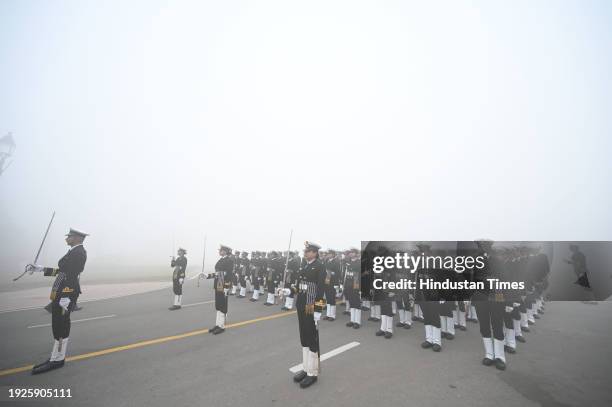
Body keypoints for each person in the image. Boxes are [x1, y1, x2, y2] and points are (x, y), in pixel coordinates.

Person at [27, 228, 88, 374]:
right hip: (61, 294)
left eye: (70, 236)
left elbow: (72, 276)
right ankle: (55, 357)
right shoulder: (73, 252)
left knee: (61, 326)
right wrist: (40, 269)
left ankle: (58, 359)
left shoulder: (79, 253)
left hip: (66, 294)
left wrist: (67, 296)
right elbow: (62, 272)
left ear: (77, 238)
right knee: (57, 326)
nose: (67, 238)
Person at [291, 241, 326, 388]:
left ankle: (312, 373)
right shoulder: (304, 265)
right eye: (305, 251)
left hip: (311, 306)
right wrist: (289, 291)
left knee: (311, 338)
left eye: (308, 251)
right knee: (304, 337)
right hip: (301, 304)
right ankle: (305, 368)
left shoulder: (319, 266)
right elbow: (299, 285)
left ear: (315, 253)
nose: (305, 253)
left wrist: (318, 310)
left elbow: (320, 290)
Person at [203, 245, 234, 334]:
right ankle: (217, 325)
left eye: (221, 250)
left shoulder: (229, 260)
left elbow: (229, 275)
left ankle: (222, 326)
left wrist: (227, 287)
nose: (219, 251)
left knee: (223, 306)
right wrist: (208, 276)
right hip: (218, 283)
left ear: (225, 251)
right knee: (218, 305)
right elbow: (218, 273)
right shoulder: (221, 260)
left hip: (223, 285)